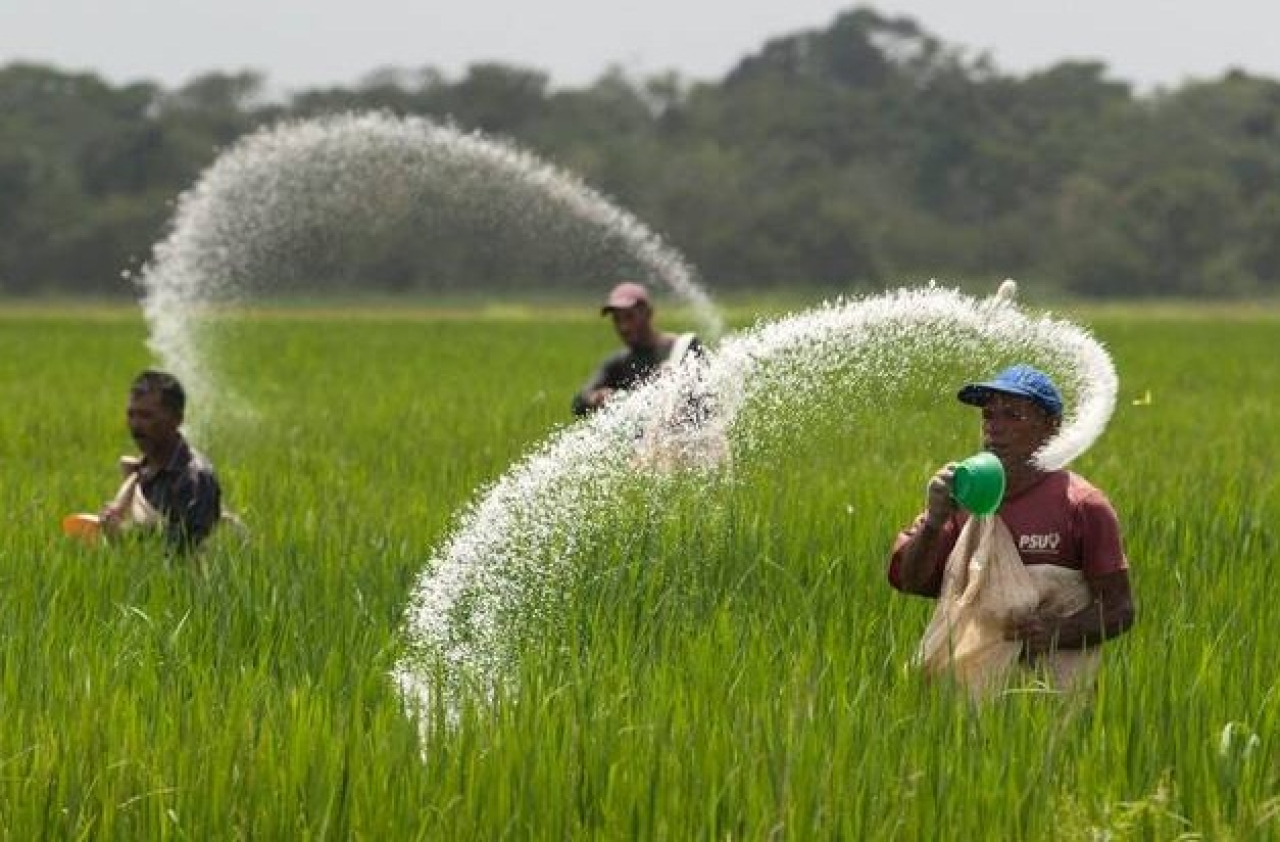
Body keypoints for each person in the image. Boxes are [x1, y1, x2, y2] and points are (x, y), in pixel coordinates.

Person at [888, 364, 1134, 680]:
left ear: (1051, 427)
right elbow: (912, 582)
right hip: (967, 700)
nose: (995, 427)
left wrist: (1056, 631)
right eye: (989, 416)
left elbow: (1120, 610)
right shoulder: (964, 495)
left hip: (1052, 697)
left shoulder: (1082, 505)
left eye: (1013, 416)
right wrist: (934, 523)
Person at [98, 369, 223, 553]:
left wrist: (124, 536)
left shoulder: (195, 478)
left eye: (146, 416)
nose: (135, 425)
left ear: (177, 420)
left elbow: (190, 548)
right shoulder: (140, 472)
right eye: (131, 415)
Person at [571, 281, 702, 416]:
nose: (624, 327)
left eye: (630, 317)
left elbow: (705, 400)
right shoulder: (619, 363)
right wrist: (597, 398)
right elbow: (578, 402)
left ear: (648, 314)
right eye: (617, 319)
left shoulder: (683, 348)